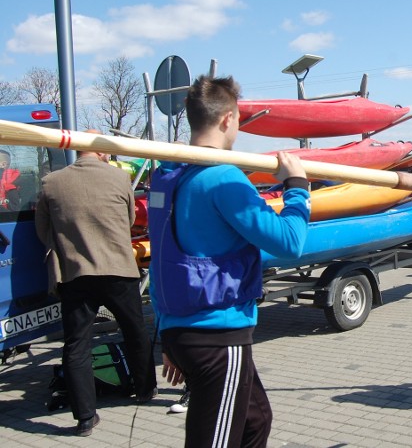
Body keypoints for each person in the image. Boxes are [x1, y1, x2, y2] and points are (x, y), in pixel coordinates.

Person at [149, 75, 311, 448]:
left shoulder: (168, 177)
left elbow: (161, 260)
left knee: (256, 422)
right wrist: (297, 187)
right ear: (227, 120)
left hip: (183, 331)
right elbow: (289, 242)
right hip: (217, 338)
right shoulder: (223, 178)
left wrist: (168, 334)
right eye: (238, 120)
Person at [34, 135, 157, 437]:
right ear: (101, 152)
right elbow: (129, 219)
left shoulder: (51, 182)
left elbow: (43, 231)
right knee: (135, 331)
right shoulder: (119, 178)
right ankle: (144, 390)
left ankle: (85, 417)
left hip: (76, 274)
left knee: (76, 345)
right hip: (119, 269)